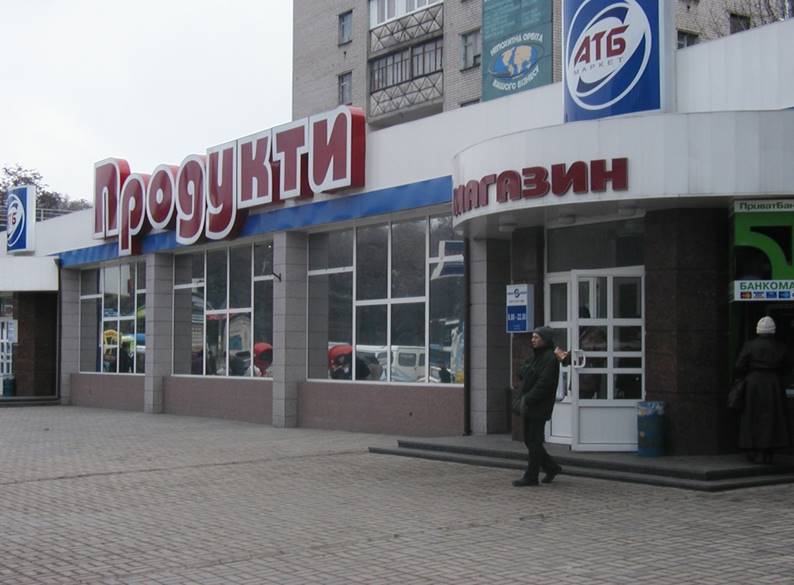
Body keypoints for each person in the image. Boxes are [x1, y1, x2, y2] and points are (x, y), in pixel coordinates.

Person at [734, 316, 791, 464]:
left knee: (751, 416)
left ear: (758, 330)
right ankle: (766, 450)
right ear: (773, 331)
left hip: (753, 383)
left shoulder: (749, 345)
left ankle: (751, 448)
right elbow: (787, 366)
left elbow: (739, 365)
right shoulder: (780, 346)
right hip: (773, 384)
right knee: (772, 417)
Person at [512, 326, 563, 487]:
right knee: (530, 440)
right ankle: (551, 467)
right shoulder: (536, 356)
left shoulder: (550, 358)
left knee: (534, 441)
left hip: (539, 405)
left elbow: (544, 384)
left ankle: (531, 476)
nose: (532, 340)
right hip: (529, 404)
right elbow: (524, 374)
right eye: (532, 337)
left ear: (545, 340)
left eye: (536, 337)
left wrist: (528, 399)